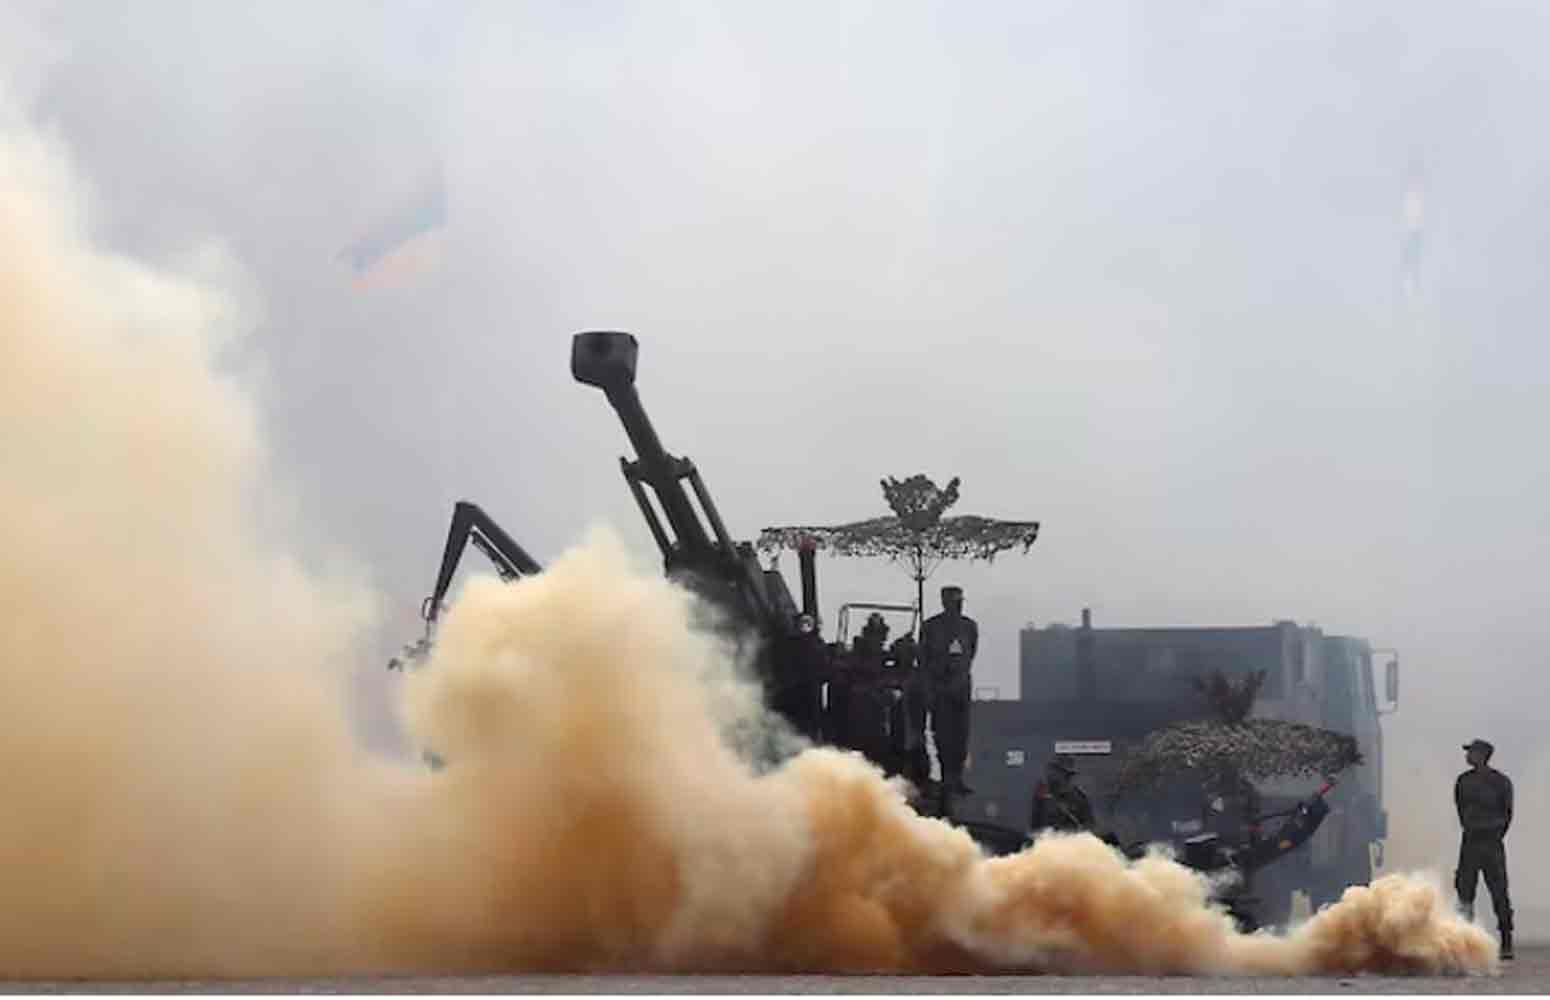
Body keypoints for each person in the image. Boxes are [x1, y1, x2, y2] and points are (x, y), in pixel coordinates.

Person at [1455, 738, 1514, 959]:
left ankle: (1506, 941)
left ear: (1482, 755)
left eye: (1471, 752)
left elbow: (1507, 814)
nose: (1467, 756)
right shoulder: (1463, 781)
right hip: (1471, 841)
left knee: (1499, 892)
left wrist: (1493, 832)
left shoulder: (1500, 782)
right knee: (1464, 892)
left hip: (1491, 842)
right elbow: (1461, 811)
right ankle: (1465, 943)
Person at [920, 585, 978, 796]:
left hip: (960, 688)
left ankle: (957, 777)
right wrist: (931, 686)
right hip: (940, 688)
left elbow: (970, 653)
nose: (958, 606)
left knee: (961, 736)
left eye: (960, 602)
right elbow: (924, 658)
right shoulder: (931, 627)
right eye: (955, 602)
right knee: (943, 736)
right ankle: (947, 777)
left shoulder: (969, 626)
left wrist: (959, 675)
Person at [1030, 755, 1095, 835]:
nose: (1053, 776)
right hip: (1047, 838)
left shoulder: (1078, 797)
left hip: (1071, 839)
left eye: (1066, 775)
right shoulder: (1042, 795)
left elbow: (1089, 825)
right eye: (1053, 772)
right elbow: (1035, 824)